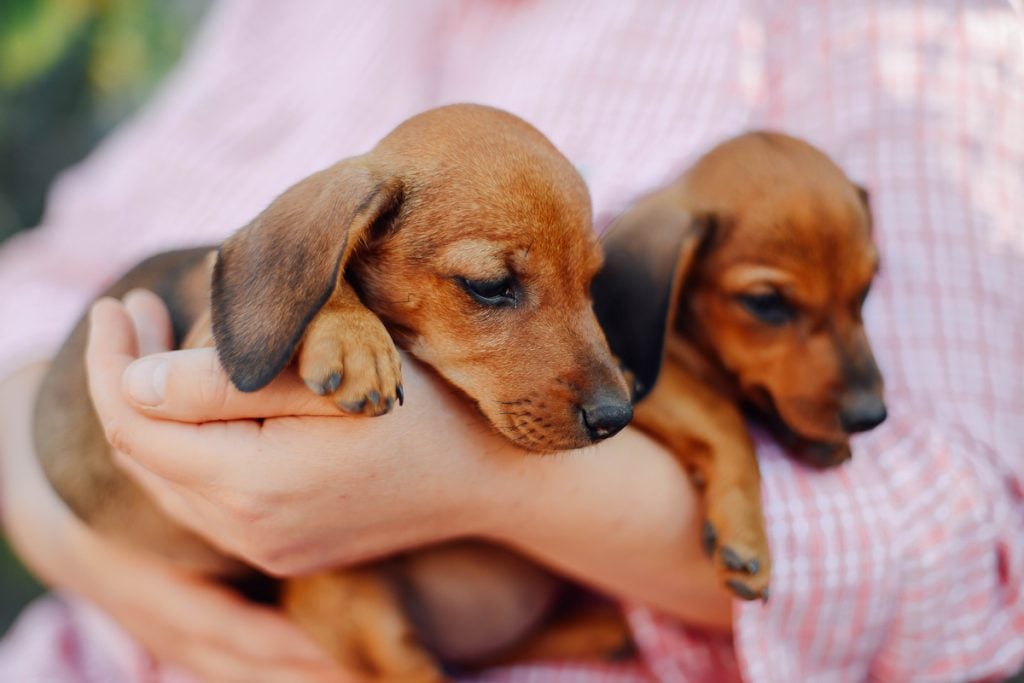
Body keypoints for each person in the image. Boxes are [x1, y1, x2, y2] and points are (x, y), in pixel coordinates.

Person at [0, 1, 1021, 682]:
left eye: (587, 282)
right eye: (494, 286)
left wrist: (483, 479)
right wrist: (91, 542)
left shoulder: (878, 37)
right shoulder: (288, 19)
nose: (593, 369)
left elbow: (975, 560)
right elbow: (41, 285)